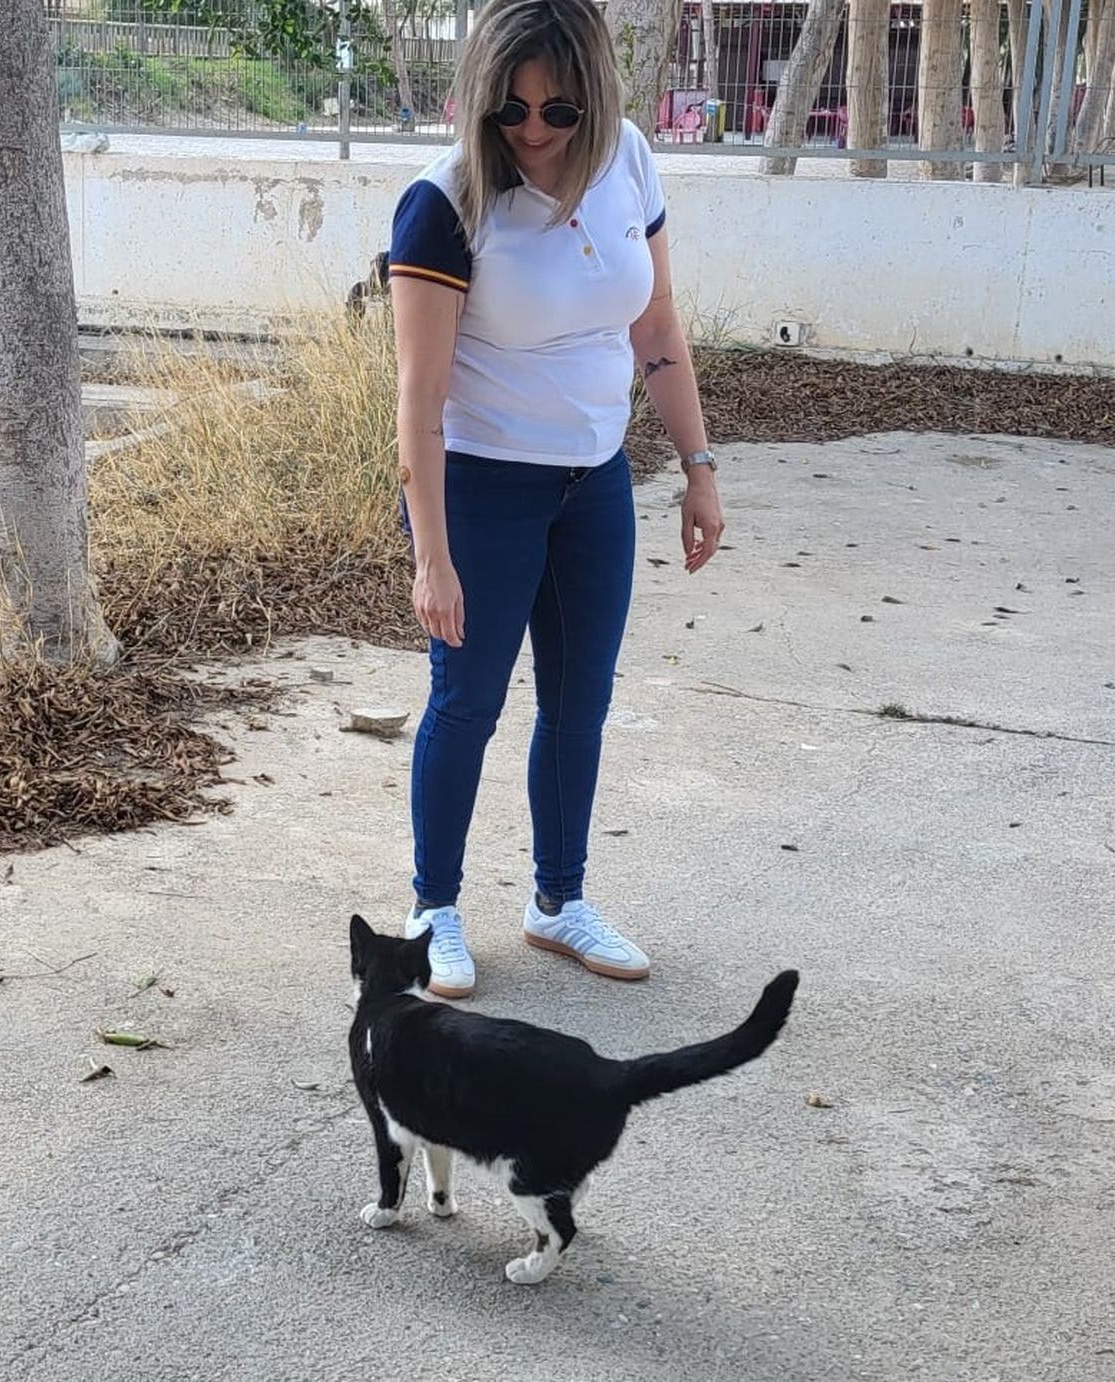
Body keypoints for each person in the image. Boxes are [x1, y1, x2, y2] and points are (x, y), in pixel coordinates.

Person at [387, 0, 723, 999]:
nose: (534, 131)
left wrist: (698, 466)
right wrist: (431, 554)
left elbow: (655, 322)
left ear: (599, 101)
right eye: (510, 111)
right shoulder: (445, 203)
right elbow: (419, 393)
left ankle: (556, 900)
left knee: (579, 706)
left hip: (594, 483)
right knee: (467, 704)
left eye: (559, 111)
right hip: (481, 484)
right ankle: (433, 909)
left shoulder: (626, 160)